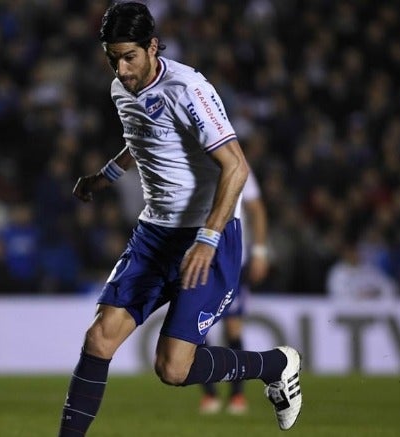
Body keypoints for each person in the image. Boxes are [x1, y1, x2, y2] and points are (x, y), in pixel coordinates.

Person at [57, 3, 302, 436]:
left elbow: (237, 166)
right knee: (99, 339)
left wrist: (208, 238)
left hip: (206, 238)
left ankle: (276, 365)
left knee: (172, 369)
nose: (121, 68)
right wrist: (104, 177)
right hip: (154, 234)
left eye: (129, 56)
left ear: (153, 46)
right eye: (112, 58)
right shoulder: (121, 89)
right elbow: (143, 139)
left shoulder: (188, 88)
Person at [199, 168, 270, 415]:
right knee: (196, 327)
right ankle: (209, 395)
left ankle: (237, 395)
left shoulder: (239, 166)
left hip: (232, 261)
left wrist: (260, 252)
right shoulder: (192, 161)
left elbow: (256, 209)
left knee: (233, 327)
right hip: (199, 258)